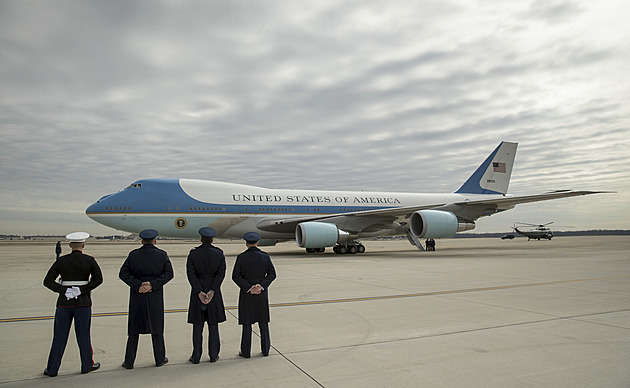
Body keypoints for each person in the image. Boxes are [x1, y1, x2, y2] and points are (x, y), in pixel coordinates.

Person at [43, 232, 103, 377]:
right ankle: (87, 365)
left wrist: (64, 290)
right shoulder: (89, 260)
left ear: (70, 245)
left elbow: (48, 282)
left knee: (59, 336)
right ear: (83, 245)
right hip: (83, 302)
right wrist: (81, 290)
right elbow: (98, 280)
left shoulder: (61, 261)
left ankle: (52, 369)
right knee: (83, 335)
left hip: (64, 303)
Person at [119, 229, 173, 369]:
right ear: (155, 241)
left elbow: (123, 273)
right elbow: (169, 274)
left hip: (138, 295)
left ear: (142, 241)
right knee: (157, 328)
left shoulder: (133, 255)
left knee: (134, 329)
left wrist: (138, 285)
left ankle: (129, 361)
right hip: (154, 295)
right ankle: (160, 359)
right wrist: (152, 285)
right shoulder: (162, 255)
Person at [186, 227, 227, 364]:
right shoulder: (219, 253)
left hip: (198, 293)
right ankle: (213, 355)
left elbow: (191, 274)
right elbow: (221, 274)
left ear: (201, 239)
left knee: (197, 327)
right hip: (213, 294)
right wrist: (212, 291)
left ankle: (196, 356)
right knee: (213, 326)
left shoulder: (193, 254)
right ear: (212, 239)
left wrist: (199, 291)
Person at [232, 232, 276, 358]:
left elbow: (236, 276)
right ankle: (265, 349)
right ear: (258, 243)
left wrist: (248, 287)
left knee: (247, 323)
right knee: (263, 322)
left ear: (246, 243)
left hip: (247, 295)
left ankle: (246, 351)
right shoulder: (265, 256)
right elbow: (272, 274)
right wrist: (261, 286)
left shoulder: (241, 257)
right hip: (261, 294)